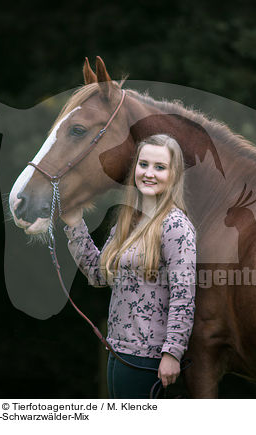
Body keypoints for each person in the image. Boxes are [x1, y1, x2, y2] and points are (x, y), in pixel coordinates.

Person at [60, 134, 196, 399]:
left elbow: (184, 295)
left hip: (149, 358)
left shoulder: (176, 226)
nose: (149, 173)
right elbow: (98, 274)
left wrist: (172, 353)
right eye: (143, 164)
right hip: (117, 351)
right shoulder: (127, 223)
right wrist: (75, 225)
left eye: (160, 167)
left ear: (174, 174)